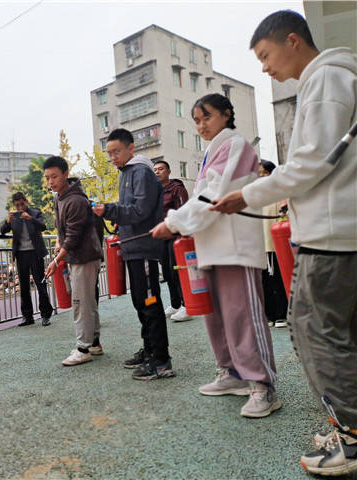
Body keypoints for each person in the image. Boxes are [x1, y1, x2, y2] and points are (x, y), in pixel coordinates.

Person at [211, 10, 356, 475]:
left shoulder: (326, 79)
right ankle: (349, 426)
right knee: (335, 333)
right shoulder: (333, 78)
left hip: (332, 235)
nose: (264, 67)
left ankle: (351, 436)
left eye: (266, 55)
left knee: (317, 335)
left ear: (293, 41)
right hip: (336, 231)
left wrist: (247, 194)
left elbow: (313, 161)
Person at [151, 93, 281, 418]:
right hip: (212, 243)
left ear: (226, 114)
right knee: (217, 315)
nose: (201, 125)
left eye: (205, 117)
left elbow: (215, 195)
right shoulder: (214, 149)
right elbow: (205, 195)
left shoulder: (237, 145)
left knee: (243, 316)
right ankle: (232, 372)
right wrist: (179, 222)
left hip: (235, 245)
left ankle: (262, 386)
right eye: (196, 120)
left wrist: (174, 221)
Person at [92, 128, 174, 381]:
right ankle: (150, 349)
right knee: (141, 301)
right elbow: (133, 211)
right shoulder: (127, 172)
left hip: (144, 246)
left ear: (131, 148)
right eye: (110, 153)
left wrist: (110, 210)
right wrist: (118, 220)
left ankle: (161, 360)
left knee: (149, 302)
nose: (113, 157)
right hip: (133, 246)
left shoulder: (141, 172)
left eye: (117, 151)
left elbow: (140, 209)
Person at [43, 156, 103, 366]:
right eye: (48, 178)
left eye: (55, 176)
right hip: (77, 256)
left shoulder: (76, 200)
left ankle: (83, 348)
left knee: (81, 303)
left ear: (65, 174)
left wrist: (55, 261)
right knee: (88, 301)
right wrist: (59, 245)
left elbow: (74, 236)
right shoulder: (59, 198)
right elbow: (63, 231)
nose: (51, 182)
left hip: (85, 256)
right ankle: (93, 343)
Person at [0, 192, 54, 327]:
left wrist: (30, 218)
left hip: (35, 253)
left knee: (40, 284)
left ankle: (46, 315)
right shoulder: (14, 217)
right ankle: (27, 316)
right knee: (23, 287)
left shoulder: (35, 213)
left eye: (22, 204)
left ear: (26, 201)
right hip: (21, 254)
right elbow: (2, 231)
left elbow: (43, 226)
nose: (20, 208)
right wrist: (7, 222)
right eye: (17, 205)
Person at [152, 159, 191, 323]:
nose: (157, 172)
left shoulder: (177, 189)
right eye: (155, 170)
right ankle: (175, 303)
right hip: (161, 238)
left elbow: (184, 211)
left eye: (161, 169)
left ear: (168, 171)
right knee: (167, 272)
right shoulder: (154, 191)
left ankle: (186, 305)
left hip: (176, 237)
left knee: (178, 271)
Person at [257, 160, 288, 328]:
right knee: (264, 283)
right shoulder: (255, 195)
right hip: (260, 247)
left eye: (263, 174)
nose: (260, 178)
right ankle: (268, 314)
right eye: (258, 175)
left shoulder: (280, 193)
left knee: (278, 280)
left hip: (275, 246)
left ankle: (281, 314)